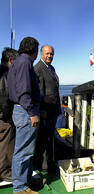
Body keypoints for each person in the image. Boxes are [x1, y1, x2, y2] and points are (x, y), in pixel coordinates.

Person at [7, 37, 40, 194]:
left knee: (27, 150)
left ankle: (25, 182)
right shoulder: (25, 62)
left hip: (21, 110)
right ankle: (20, 188)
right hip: (26, 111)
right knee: (23, 151)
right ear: (33, 49)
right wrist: (32, 112)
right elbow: (24, 91)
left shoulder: (18, 62)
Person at [33, 45, 61, 173]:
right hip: (45, 111)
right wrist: (42, 110)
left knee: (50, 137)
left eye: (52, 54)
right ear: (41, 54)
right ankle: (43, 166)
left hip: (53, 110)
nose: (49, 56)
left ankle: (50, 162)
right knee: (43, 139)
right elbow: (38, 92)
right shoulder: (38, 69)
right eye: (47, 53)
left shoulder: (51, 68)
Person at [0, 48, 18, 182]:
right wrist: (9, 119)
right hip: (3, 118)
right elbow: (5, 98)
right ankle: (4, 172)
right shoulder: (5, 74)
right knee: (6, 144)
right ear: (10, 60)